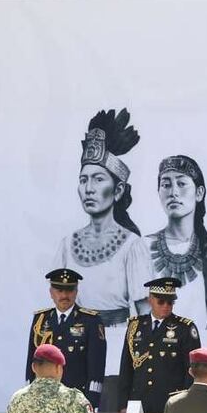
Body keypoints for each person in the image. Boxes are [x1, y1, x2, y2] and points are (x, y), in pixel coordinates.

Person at [53, 108, 142, 326]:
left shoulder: (133, 246)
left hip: (118, 338)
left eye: (98, 179)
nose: (89, 188)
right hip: (75, 340)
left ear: (118, 190)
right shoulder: (66, 245)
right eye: (83, 180)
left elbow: (146, 317)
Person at [127, 155, 207, 329]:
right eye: (166, 185)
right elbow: (146, 320)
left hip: (204, 346)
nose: (173, 192)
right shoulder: (142, 248)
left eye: (181, 184)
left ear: (199, 193)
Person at [117, 277, 201, 413]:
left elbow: (192, 371)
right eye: (161, 301)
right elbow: (126, 368)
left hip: (172, 404)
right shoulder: (135, 326)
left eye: (170, 302)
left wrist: (186, 403)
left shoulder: (184, 328)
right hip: (138, 403)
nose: (165, 306)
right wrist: (123, 403)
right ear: (150, 299)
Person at [25, 268, 106, 409]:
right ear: (51, 292)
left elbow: (96, 365)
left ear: (76, 292)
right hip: (44, 398)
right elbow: (32, 360)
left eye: (69, 290)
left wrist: (91, 400)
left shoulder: (91, 320)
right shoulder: (41, 319)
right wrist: (30, 392)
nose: (64, 295)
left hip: (76, 398)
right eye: (59, 290)